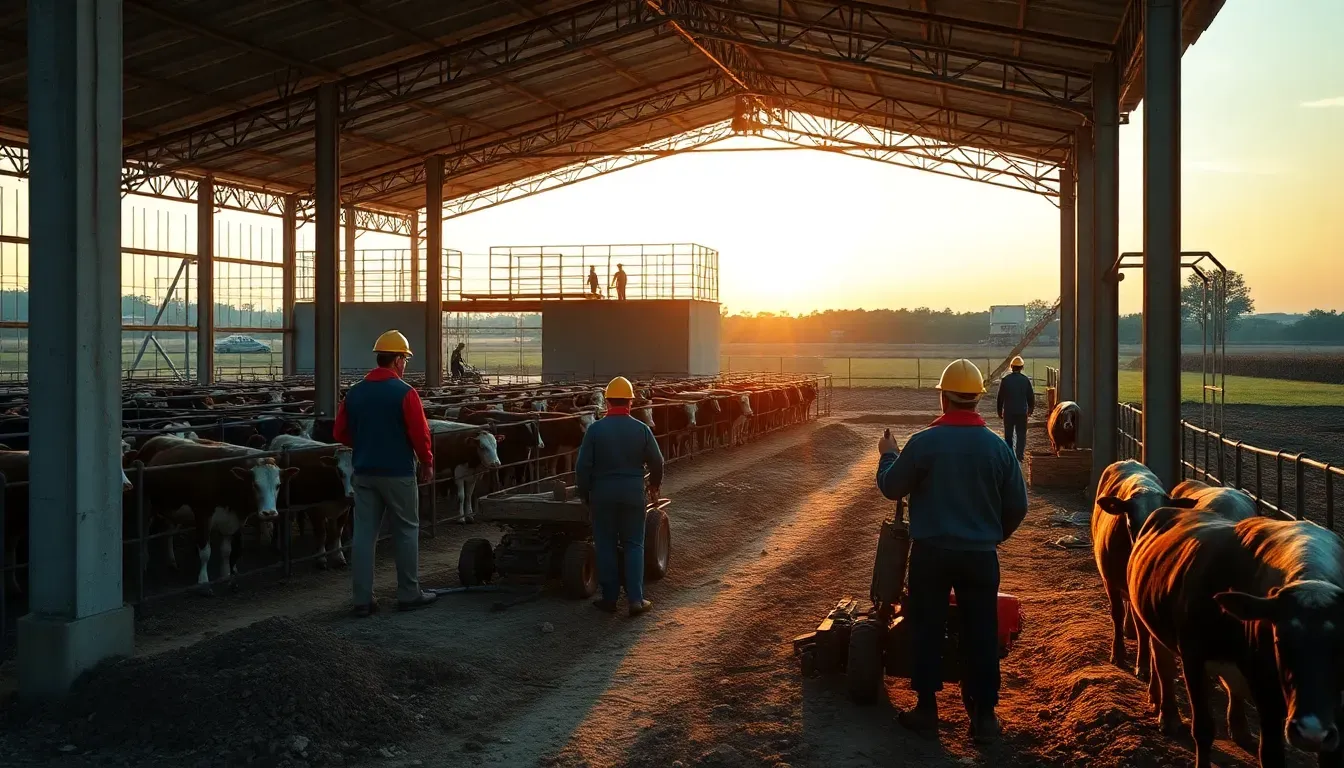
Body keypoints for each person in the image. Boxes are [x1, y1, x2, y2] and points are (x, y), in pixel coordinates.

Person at [875, 359, 1028, 744]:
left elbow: (892, 488)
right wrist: (992, 537)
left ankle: (927, 709)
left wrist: (888, 455)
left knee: (926, 627)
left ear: (943, 399)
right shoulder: (998, 448)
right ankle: (986, 716)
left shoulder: (924, 443)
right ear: (977, 400)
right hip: (979, 557)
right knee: (982, 630)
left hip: (931, 554)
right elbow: (1018, 506)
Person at [334, 329, 438, 618]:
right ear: (397, 360)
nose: (405, 364)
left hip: (364, 472)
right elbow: (421, 434)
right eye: (404, 359)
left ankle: (362, 601)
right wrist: (427, 461)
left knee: (364, 535)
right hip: (398, 473)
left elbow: (339, 432)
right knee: (406, 530)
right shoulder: (405, 393)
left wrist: (367, 444)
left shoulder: (354, 392)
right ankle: (409, 593)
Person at [576, 375, 665, 617]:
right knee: (634, 544)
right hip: (633, 494)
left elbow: (582, 468)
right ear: (630, 403)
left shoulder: (594, 430)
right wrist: (654, 487)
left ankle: (609, 599)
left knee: (605, 545)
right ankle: (636, 600)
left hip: (603, 495)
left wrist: (585, 495)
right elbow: (657, 461)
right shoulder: (642, 429)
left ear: (607, 403)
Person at [996, 355, 1035, 461]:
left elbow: (1000, 397)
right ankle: (1020, 455)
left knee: (1008, 434)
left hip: (1009, 412)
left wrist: (999, 411)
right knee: (1021, 434)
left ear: (1011, 366)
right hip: (1022, 412)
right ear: (1022, 367)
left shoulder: (1005, 380)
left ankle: (1009, 455)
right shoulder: (1025, 380)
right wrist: (1030, 409)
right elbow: (1030, 396)